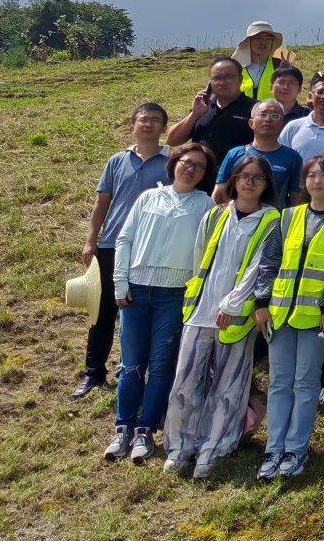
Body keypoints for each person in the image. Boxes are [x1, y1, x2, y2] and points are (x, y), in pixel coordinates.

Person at [163, 154, 282, 478]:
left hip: (237, 317)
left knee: (229, 385)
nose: (250, 182)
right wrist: (198, 299)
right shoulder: (215, 215)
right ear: (234, 180)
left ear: (266, 185)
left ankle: (213, 448)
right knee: (186, 380)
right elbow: (199, 259)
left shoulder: (272, 220)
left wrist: (232, 304)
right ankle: (180, 448)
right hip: (200, 311)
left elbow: (261, 267)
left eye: (257, 177)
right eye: (244, 176)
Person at [104, 143, 212, 463]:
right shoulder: (149, 197)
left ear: (205, 174)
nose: (190, 168)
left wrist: (194, 292)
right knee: (131, 364)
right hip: (136, 291)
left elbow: (206, 253)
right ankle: (123, 427)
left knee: (161, 365)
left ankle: (145, 430)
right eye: (186, 161)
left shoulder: (206, 205)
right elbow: (124, 239)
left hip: (175, 294)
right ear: (174, 162)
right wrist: (120, 283)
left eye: (199, 166)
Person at [260, 154, 324, 480]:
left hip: (318, 318)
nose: (317, 180)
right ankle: (273, 449)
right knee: (279, 383)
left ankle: (296, 450)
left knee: (305, 382)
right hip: (280, 313)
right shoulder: (288, 216)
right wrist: (262, 302)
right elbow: (269, 262)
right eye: (311, 175)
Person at [78, 103, 171, 400]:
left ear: (164, 128)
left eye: (155, 120)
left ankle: (131, 371)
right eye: (143, 119)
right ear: (132, 126)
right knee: (102, 312)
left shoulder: (171, 162)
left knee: (137, 313)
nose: (148, 124)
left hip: (149, 250)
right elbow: (101, 203)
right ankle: (93, 372)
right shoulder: (117, 161)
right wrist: (91, 240)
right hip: (111, 246)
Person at [165, 57, 255, 170]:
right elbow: (172, 141)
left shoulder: (255, 108)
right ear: (210, 82)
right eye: (216, 78)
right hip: (200, 173)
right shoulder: (202, 107)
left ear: (240, 79)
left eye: (229, 77)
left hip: (237, 175)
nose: (222, 82)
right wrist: (194, 114)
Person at [215, 99, 304, 206]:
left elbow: (296, 198)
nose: (268, 119)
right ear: (251, 123)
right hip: (236, 215)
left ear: (282, 124)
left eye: (275, 116)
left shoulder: (292, 157)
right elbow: (219, 191)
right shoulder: (234, 154)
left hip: (274, 215)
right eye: (262, 114)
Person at [234, 21, 285, 101]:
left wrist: (288, 72)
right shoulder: (236, 67)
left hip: (271, 109)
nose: (263, 42)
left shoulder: (279, 66)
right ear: (249, 41)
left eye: (268, 38)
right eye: (258, 38)